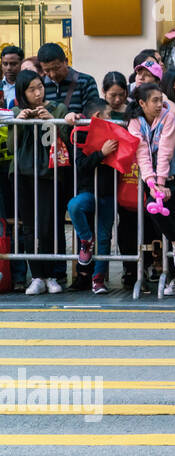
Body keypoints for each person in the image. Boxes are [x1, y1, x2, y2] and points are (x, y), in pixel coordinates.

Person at [11, 69, 75, 295]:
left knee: (48, 225)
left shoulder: (57, 108)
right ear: (23, 92)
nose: (37, 93)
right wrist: (18, 123)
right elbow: (12, 147)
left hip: (49, 173)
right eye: (31, 90)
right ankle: (36, 276)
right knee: (29, 227)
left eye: (40, 87)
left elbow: (68, 141)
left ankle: (52, 275)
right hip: (23, 173)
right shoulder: (17, 110)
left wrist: (54, 122)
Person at [128, 83, 175, 297]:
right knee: (153, 210)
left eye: (160, 100)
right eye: (154, 101)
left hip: (174, 176)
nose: (159, 104)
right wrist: (152, 183)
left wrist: (163, 183)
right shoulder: (135, 123)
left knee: (171, 215)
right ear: (142, 103)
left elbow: (165, 151)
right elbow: (142, 154)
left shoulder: (168, 118)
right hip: (152, 178)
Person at [38, 43, 100, 116]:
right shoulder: (40, 86)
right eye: (47, 71)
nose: (52, 74)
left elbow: (93, 114)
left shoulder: (86, 82)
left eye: (56, 68)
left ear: (66, 62)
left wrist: (78, 117)